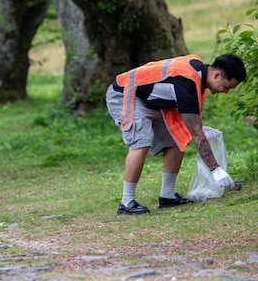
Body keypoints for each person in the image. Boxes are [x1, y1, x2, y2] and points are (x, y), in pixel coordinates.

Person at [105, 53, 247, 215]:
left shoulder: (199, 74)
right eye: (227, 87)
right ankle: (126, 201)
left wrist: (200, 128)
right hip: (125, 94)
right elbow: (196, 133)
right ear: (217, 75)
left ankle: (168, 196)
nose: (226, 92)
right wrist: (215, 169)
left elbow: (192, 120)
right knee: (141, 141)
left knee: (177, 137)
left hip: (151, 99)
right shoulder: (187, 82)